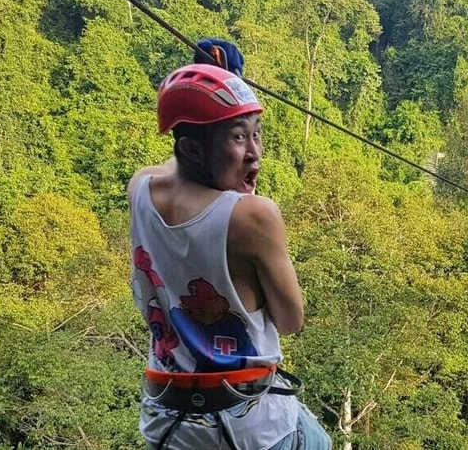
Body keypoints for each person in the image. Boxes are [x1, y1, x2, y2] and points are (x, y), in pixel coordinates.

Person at [128, 63, 331, 449]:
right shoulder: (252, 216)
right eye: (238, 137)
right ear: (191, 148)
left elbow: (173, 168)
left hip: (169, 422)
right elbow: (290, 320)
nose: (255, 154)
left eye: (257, 134)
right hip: (247, 426)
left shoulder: (140, 189)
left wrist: (207, 115)